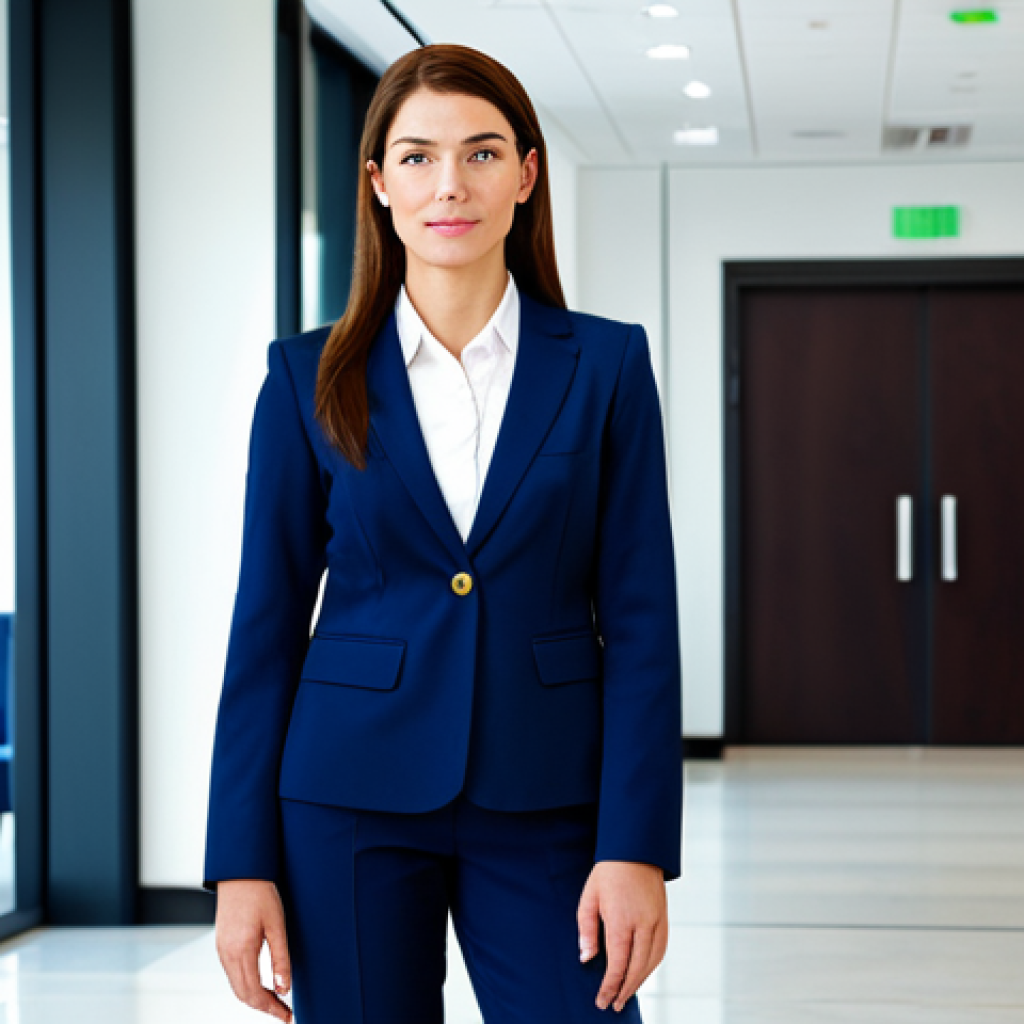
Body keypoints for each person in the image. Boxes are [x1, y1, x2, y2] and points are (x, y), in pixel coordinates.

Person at [202, 41, 683, 1024]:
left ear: (525, 174)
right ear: (377, 182)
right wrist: (239, 863)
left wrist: (634, 843)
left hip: (548, 794)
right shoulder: (308, 378)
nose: (448, 184)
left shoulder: (605, 366)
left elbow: (643, 625)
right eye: (416, 156)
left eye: (481, 152)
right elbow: (264, 628)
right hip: (347, 796)